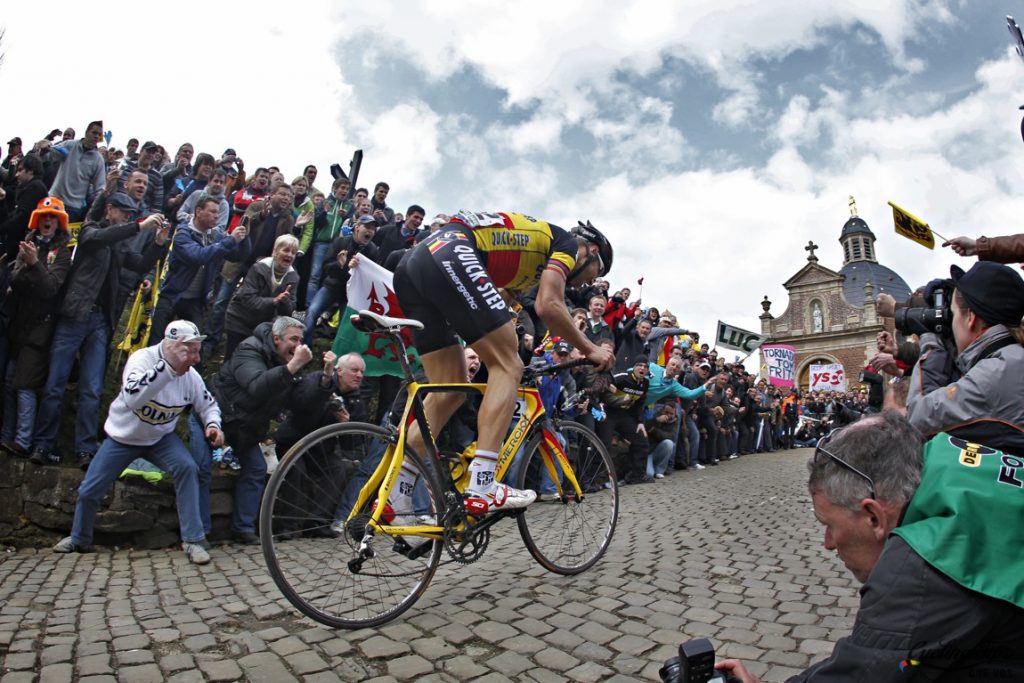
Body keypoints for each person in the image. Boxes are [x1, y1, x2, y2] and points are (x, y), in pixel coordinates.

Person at [717, 412, 1024, 682]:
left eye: (830, 525)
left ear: (874, 516)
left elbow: (868, 669)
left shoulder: (922, 565)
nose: (827, 544)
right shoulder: (945, 451)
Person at [393, 213, 615, 514]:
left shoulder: (525, 266)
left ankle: (398, 494)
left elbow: (495, 303)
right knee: (509, 366)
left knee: (451, 391)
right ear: (592, 251)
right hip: (453, 252)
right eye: (596, 273)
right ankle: (483, 484)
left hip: (415, 265)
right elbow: (548, 305)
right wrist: (590, 349)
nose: (591, 283)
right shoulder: (564, 242)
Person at [52, 321, 223, 565]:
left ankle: (193, 539)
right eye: (191, 351)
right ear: (172, 347)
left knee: (187, 468)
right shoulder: (141, 360)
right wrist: (167, 369)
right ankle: (79, 538)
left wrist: (212, 425)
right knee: (90, 489)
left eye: (198, 351)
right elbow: (133, 397)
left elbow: (208, 405)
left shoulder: (191, 377)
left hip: (160, 438)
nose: (196, 359)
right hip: (123, 438)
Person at [30, 193, 169, 468]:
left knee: (91, 389)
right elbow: (96, 239)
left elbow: (140, 264)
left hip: (101, 321)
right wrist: (140, 227)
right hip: (74, 315)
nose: (129, 217)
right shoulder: (91, 230)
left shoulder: (119, 243)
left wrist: (158, 245)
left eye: (132, 214)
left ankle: (85, 449)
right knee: (55, 384)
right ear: (110, 210)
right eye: (125, 213)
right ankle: (42, 444)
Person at [208, 317, 330, 544]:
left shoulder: (287, 362)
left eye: (301, 340)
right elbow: (256, 387)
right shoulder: (249, 349)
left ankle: (243, 529)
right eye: (293, 339)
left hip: (246, 427)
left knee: (256, 469)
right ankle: (200, 532)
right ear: (276, 338)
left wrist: (325, 380)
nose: (298, 345)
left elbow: (300, 403)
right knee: (199, 468)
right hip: (217, 419)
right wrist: (293, 366)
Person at [906, 262, 1024, 455]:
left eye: (951, 315)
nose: (949, 323)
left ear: (971, 318)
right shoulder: (1011, 356)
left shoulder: (994, 374)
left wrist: (931, 339)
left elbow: (917, 418)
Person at [0, 198, 73, 457]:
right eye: (43, 217)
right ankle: (7, 437)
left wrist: (34, 265)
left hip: (41, 329)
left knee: (25, 384)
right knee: (9, 382)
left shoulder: (63, 252)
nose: (47, 221)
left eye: (52, 217)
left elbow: (52, 288)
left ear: (59, 222)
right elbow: (15, 280)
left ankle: (23, 440)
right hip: (18, 325)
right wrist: (29, 266)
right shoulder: (27, 245)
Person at [150, 196, 250, 342]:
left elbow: (238, 256)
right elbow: (198, 256)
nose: (217, 216)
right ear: (198, 211)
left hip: (195, 300)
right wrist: (230, 240)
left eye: (218, 212)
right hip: (172, 295)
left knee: (195, 344)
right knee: (158, 340)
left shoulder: (216, 235)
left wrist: (245, 236)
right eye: (212, 211)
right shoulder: (183, 233)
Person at [223, 234, 299, 359]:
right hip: (239, 320)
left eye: (293, 252)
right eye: (286, 250)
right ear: (275, 251)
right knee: (232, 360)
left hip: (261, 327)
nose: (289, 255)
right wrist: (274, 301)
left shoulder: (294, 278)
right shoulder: (258, 269)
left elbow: (290, 310)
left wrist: (284, 302)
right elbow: (248, 299)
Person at [44, 121, 106, 221]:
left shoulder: (99, 160)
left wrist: (95, 212)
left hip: (73, 208)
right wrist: (44, 148)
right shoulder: (69, 145)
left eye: (99, 135)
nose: (97, 136)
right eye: (94, 133)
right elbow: (50, 156)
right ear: (86, 132)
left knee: (63, 236)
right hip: (54, 199)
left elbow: (99, 189)